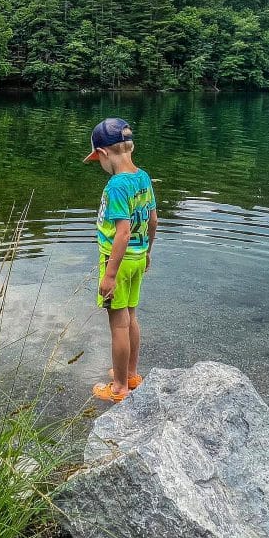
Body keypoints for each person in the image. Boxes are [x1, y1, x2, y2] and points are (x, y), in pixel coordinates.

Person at [83, 116, 158, 402]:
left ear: (102, 154)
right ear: (131, 146)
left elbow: (122, 233)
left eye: (97, 159)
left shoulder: (116, 186)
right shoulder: (143, 177)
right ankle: (131, 375)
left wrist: (109, 274)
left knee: (119, 324)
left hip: (119, 260)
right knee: (132, 317)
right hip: (138, 258)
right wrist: (148, 252)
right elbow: (153, 221)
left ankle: (118, 388)